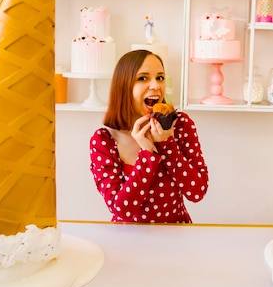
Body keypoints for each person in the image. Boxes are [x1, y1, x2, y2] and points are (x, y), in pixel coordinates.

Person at [89, 50, 209, 223]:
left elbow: (197, 192)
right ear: (123, 86)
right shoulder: (104, 141)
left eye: (160, 78)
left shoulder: (181, 125)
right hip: (127, 239)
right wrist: (147, 153)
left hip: (177, 235)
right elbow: (122, 210)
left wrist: (167, 144)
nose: (155, 86)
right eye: (143, 78)